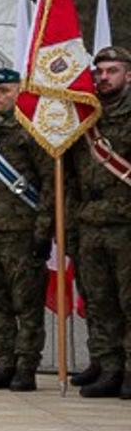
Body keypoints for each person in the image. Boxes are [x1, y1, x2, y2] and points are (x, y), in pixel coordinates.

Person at [0, 69, 55, 392]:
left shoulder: (31, 132)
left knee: (26, 302)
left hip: (22, 231)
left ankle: (26, 365)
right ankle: (4, 361)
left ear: (20, 92)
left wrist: (44, 231)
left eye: (4, 90)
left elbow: (50, 185)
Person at [70, 45, 131, 398]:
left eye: (112, 71)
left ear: (128, 75)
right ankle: (108, 368)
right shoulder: (88, 118)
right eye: (100, 72)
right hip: (90, 224)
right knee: (100, 300)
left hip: (125, 224)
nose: (104, 78)